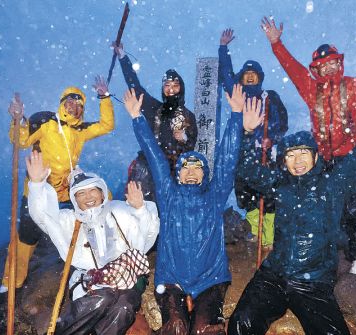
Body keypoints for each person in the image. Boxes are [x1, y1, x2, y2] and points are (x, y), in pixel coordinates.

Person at [227, 63, 356, 335]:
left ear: (315, 157)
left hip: (313, 285)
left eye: (303, 154)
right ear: (284, 161)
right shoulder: (279, 184)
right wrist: (247, 132)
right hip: (273, 277)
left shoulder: (334, 184)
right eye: (290, 155)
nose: (297, 161)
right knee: (241, 324)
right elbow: (246, 169)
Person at [123, 84, 263, 335]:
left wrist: (235, 117)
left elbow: (227, 159)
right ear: (177, 174)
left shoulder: (215, 195)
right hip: (171, 278)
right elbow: (154, 156)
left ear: (204, 174)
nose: (190, 171)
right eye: (185, 167)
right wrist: (137, 118)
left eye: (197, 167)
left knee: (204, 329)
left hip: (211, 278)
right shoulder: (168, 194)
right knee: (175, 326)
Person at [261, 17, 356, 276]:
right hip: (322, 158)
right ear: (316, 70)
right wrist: (276, 43)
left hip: (349, 157)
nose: (328, 68)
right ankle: (319, 252)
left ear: (339, 63)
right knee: (317, 203)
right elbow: (292, 68)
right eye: (322, 66)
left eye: (332, 62)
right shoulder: (313, 90)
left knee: (352, 205)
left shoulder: (354, 86)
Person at [0, 76, 115, 297]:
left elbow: (107, 125)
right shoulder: (45, 121)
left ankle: (106, 256)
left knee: (102, 198)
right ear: (62, 102)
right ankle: (11, 282)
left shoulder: (81, 130)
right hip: (41, 186)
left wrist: (104, 97)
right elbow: (20, 141)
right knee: (26, 237)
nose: (74, 107)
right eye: (70, 101)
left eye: (79, 104)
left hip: (67, 187)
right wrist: (18, 120)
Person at [26, 151, 159, 334]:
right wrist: (37, 185)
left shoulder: (120, 209)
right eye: (81, 193)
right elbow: (42, 216)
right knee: (103, 297)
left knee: (124, 307)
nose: (88, 197)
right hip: (89, 283)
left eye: (92, 191)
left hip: (127, 280)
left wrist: (140, 210)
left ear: (102, 192)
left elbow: (148, 233)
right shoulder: (70, 220)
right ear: (74, 199)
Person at [219, 28, 288, 249]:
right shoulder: (237, 93)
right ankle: (254, 236)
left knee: (269, 196)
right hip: (242, 151)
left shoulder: (270, 97)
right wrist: (223, 48)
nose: (249, 77)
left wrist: (273, 139)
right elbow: (225, 75)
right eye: (246, 75)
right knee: (246, 194)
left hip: (268, 153)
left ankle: (269, 240)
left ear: (259, 78)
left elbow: (283, 123)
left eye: (253, 75)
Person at [113, 43, 198, 202]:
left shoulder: (189, 117)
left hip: (174, 171)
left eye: (175, 85)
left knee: (166, 211)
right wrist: (123, 57)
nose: (171, 89)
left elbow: (193, 144)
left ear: (181, 88)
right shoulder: (154, 108)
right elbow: (136, 87)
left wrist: (185, 138)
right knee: (141, 210)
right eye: (167, 85)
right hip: (148, 167)